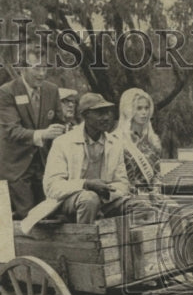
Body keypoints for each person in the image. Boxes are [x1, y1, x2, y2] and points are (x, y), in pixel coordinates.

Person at [0, 49, 66, 219]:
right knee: (28, 216)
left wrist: (61, 130)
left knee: (52, 214)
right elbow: (12, 130)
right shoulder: (7, 91)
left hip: (44, 166)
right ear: (22, 68)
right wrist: (43, 134)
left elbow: (59, 122)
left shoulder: (52, 90)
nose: (42, 74)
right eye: (36, 68)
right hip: (16, 167)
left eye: (44, 68)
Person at [42, 93, 131, 223]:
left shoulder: (115, 144)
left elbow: (123, 184)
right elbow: (51, 187)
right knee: (89, 199)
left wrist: (106, 193)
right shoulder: (63, 143)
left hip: (105, 200)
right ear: (85, 115)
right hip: (68, 202)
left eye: (108, 112)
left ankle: (124, 236)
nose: (107, 117)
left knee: (138, 205)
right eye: (100, 113)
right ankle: (84, 236)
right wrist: (86, 184)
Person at [115, 87, 163, 194]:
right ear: (129, 110)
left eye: (146, 108)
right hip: (127, 196)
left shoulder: (153, 141)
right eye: (139, 108)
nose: (144, 112)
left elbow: (157, 173)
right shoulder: (118, 141)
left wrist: (156, 189)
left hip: (151, 195)